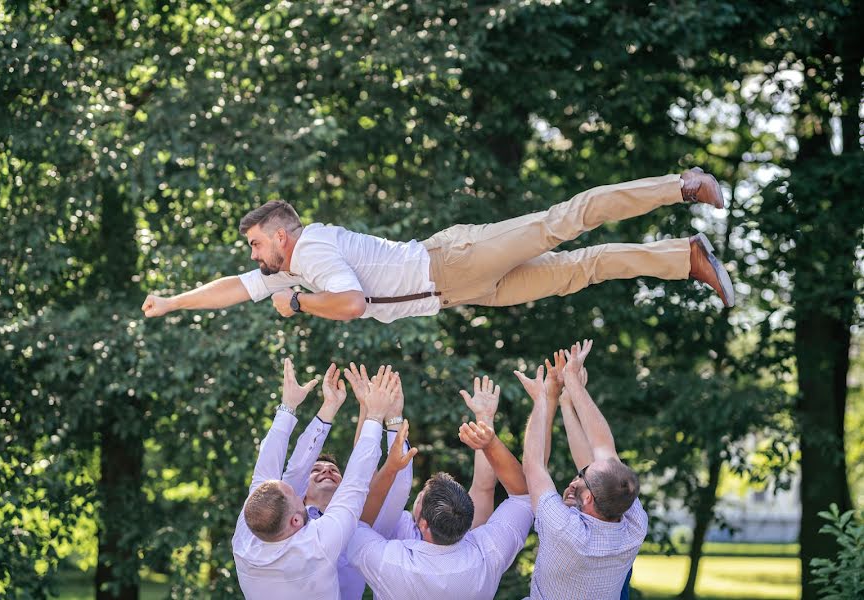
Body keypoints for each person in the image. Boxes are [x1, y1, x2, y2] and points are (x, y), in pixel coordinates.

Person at [141, 168, 735, 324]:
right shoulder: (289, 270)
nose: (252, 257)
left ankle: (679, 186)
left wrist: (297, 306)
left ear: (278, 236)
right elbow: (234, 289)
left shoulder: (312, 256)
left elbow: (348, 305)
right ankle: (685, 257)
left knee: (564, 222)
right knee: (583, 270)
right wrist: (173, 301)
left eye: (253, 245)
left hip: (454, 260)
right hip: (460, 292)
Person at [345, 376, 535, 600]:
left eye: (423, 495)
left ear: (423, 523)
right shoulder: (486, 555)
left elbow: (356, 512)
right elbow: (520, 494)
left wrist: (374, 415)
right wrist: (485, 425)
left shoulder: (390, 562)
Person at [231, 358, 397, 600]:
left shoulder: (248, 533)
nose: (295, 485)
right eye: (295, 494)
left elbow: (271, 467)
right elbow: (354, 483)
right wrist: (375, 415)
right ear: (297, 521)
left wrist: (292, 406)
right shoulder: (317, 545)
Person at [516, 340, 647, 600]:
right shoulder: (633, 525)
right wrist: (571, 390)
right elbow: (603, 446)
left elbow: (533, 464)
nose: (579, 472)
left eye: (582, 475)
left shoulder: (564, 531)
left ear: (587, 498)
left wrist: (542, 399)